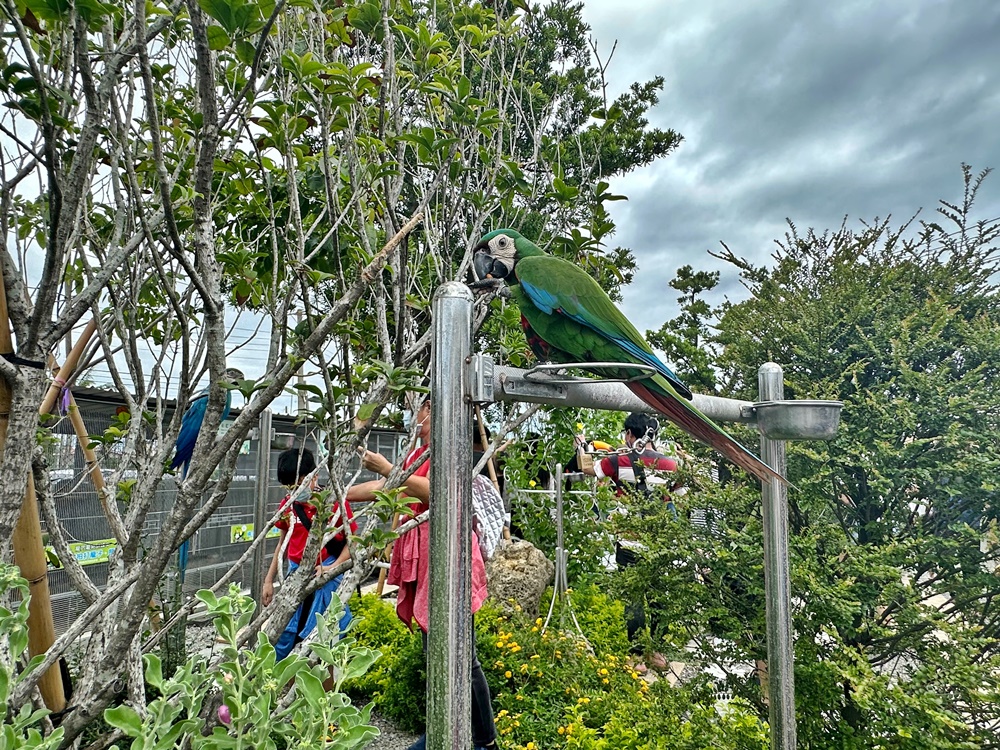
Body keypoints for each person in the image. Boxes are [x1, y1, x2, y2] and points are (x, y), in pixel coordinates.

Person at [349, 397, 498, 750]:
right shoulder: (421, 454)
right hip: (434, 562)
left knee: (462, 656)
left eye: (419, 410)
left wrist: (387, 468)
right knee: (444, 653)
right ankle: (452, 726)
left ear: (433, 411)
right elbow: (390, 487)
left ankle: (482, 740)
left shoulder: (451, 450)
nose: (414, 417)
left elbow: (437, 493)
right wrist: (337, 496)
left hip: (451, 561)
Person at [578, 412, 679, 668]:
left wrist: (582, 446)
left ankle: (636, 657)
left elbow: (588, 469)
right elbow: (679, 494)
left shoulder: (618, 460)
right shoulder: (670, 463)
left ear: (630, 434)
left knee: (633, 597)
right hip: (660, 541)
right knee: (659, 595)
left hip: (630, 540)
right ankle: (658, 652)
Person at [263, 447, 357, 661]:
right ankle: (278, 681)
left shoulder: (333, 503)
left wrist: (332, 568)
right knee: (287, 630)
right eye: (288, 487)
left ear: (313, 477)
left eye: (297, 485)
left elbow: (351, 546)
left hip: (326, 571)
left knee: (325, 636)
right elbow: (282, 544)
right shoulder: (288, 506)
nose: (293, 491)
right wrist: (269, 580)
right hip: (295, 572)